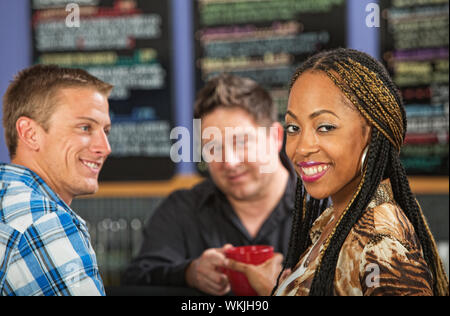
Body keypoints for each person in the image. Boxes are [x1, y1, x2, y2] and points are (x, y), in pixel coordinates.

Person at [225, 48, 449, 296]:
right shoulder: (334, 218)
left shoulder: (381, 243)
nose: (302, 147)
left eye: (325, 127)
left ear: (371, 134)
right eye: (293, 127)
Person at [122, 74, 296, 295]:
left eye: (241, 142)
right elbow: (134, 281)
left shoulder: (325, 208)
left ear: (276, 137)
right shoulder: (182, 209)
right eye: (213, 147)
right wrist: (189, 273)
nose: (230, 162)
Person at [0, 64, 113, 296]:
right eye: (85, 127)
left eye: (106, 131)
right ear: (30, 133)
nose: (105, 148)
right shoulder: (41, 221)